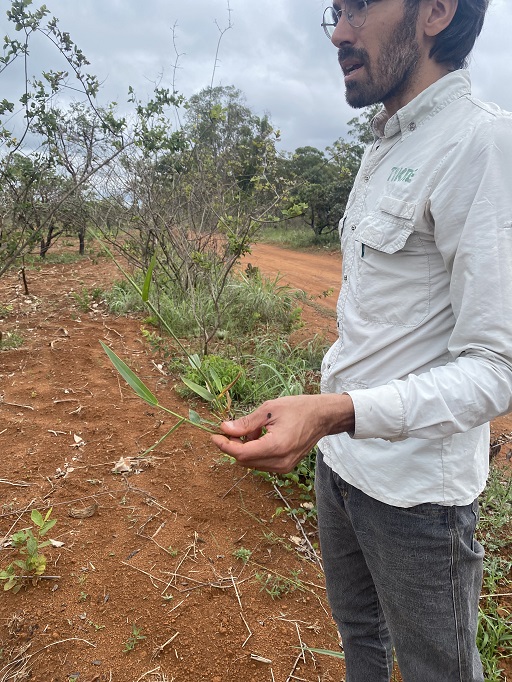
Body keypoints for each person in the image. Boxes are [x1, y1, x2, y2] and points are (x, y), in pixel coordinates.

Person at [212, 0, 512, 679]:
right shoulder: (384, 144)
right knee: (359, 639)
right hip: (340, 468)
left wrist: (334, 412)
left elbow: (497, 368)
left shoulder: (483, 144)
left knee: (438, 669)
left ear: (436, 11)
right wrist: (328, 422)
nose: (340, 34)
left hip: (417, 502)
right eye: (336, 12)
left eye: (360, 8)